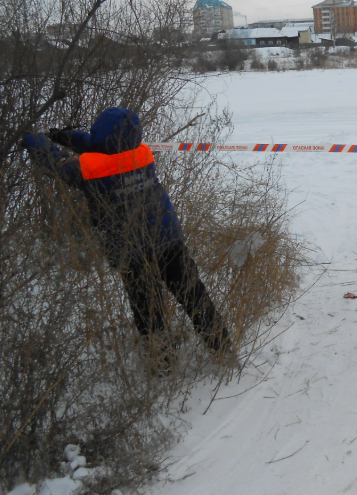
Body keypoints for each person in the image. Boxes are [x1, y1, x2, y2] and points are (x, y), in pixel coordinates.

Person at [23, 107, 230, 365]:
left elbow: (55, 164)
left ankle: (163, 363)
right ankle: (222, 348)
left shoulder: (89, 169)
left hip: (130, 250)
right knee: (192, 294)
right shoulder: (141, 153)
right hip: (168, 238)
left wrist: (33, 137)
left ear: (101, 134)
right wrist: (64, 135)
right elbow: (97, 144)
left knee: (147, 309)